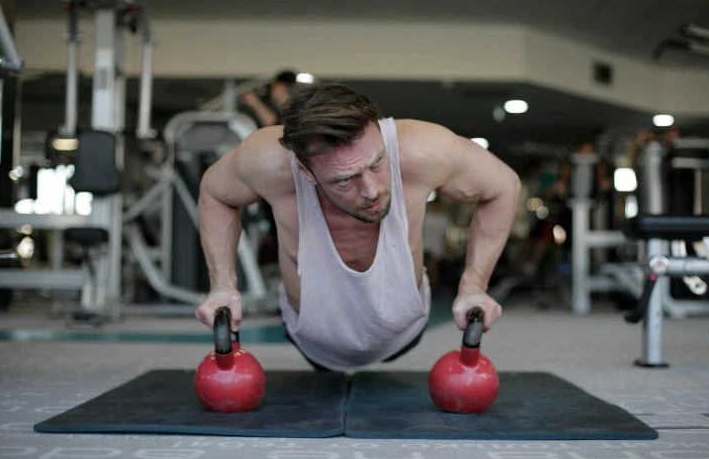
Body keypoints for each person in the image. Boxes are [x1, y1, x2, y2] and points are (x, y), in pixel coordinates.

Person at [196, 81, 522, 372]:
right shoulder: (267, 161)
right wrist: (223, 284)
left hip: (406, 332)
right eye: (344, 179)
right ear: (306, 171)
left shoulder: (424, 149)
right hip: (310, 340)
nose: (371, 191)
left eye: (377, 163)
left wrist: (474, 285)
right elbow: (214, 191)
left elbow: (503, 186)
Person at [422, 197, 452, 292]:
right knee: (425, 269)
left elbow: (445, 236)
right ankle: (427, 288)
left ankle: (432, 289)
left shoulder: (444, 219)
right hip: (425, 246)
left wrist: (448, 249)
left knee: (433, 269)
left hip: (437, 247)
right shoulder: (426, 217)